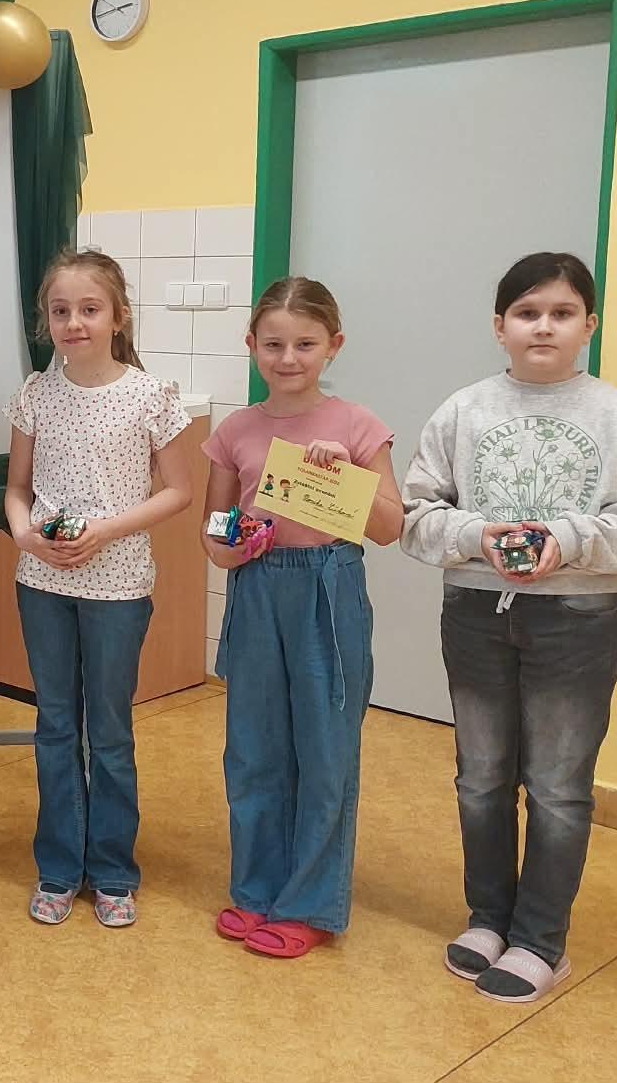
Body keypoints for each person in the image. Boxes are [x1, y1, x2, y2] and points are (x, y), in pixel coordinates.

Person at [401, 252, 617, 1003]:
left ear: (589, 325)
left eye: (562, 313)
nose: (543, 326)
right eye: (527, 313)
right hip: (475, 612)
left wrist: (570, 537)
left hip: (578, 620)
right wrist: (477, 535)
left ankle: (539, 940)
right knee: (481, 776)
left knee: (558, 786)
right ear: (500, 326)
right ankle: (488, 918)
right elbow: (417, 513)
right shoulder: (464, 410)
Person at [200, 276, 404, 959]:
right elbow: (214, 532)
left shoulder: (358, 425)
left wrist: (346, 475)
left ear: (333, 345)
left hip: (328, 587)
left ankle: (311, 902)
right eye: (274, 344)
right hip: (258, 587)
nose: (288, 358)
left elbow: (389, 527)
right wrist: (234, 545)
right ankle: (256, 889)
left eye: (305, 344)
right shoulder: (235, 431)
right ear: (251, 344)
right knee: (253, 747)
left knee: (324, 748)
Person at [3, 249, 193, 929]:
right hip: (42, 583)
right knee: (56, 723)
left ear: (119, 316)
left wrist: (105, 531)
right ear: (46, 321)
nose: (74, 322)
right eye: (61, 311)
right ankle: (59, 867)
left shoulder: (150, 395)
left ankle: (113, 870)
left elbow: (179, 490)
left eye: (89, 309)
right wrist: (24, 535)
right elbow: (17, 489)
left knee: (108, 731)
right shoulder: (35, 394)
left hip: (118, 587)